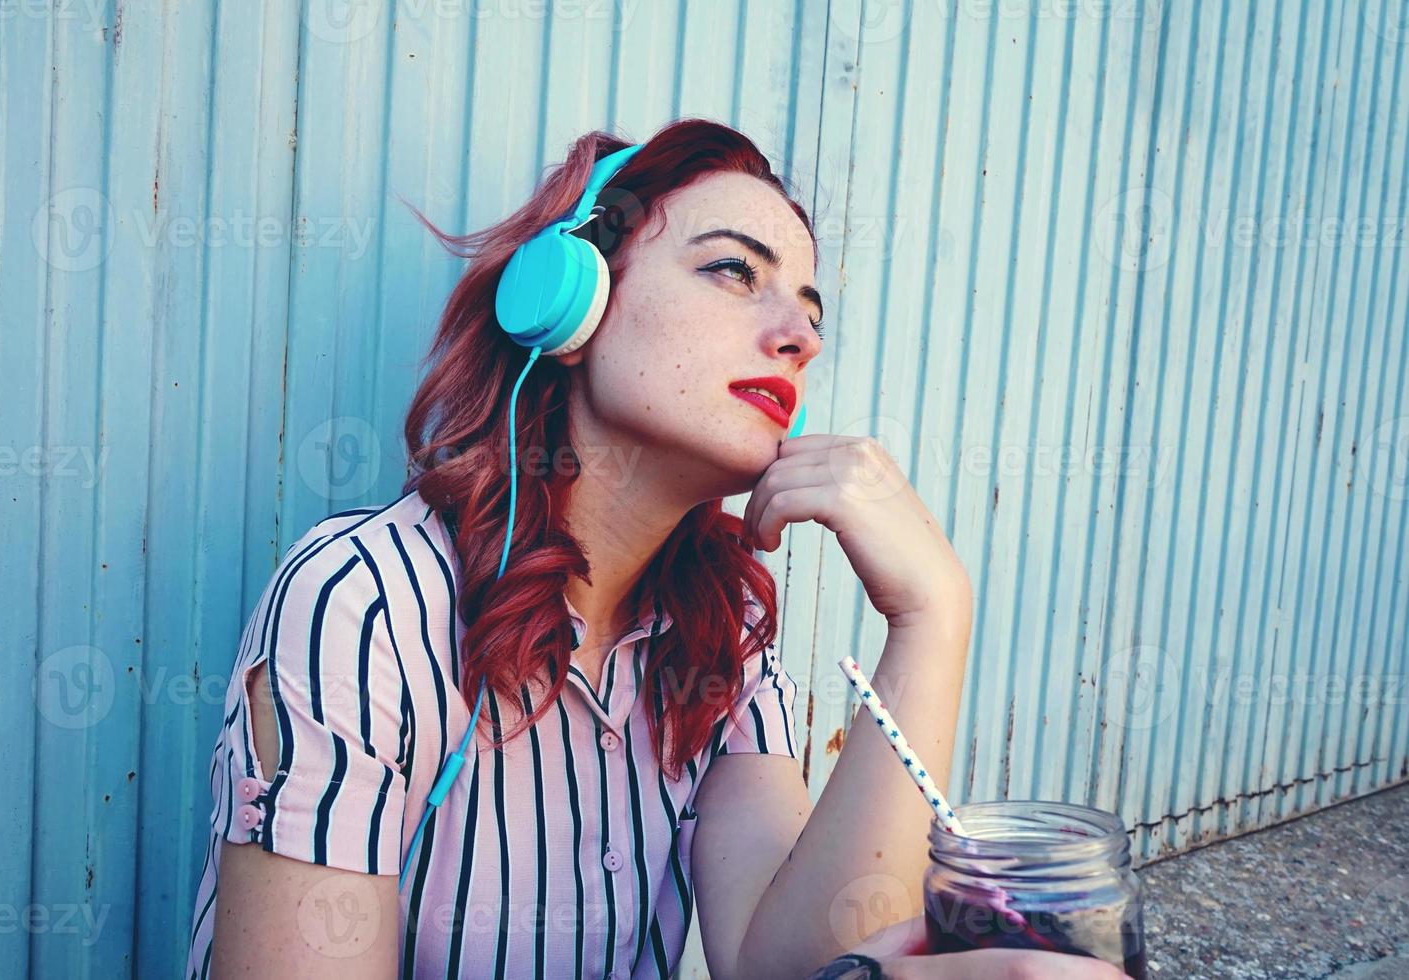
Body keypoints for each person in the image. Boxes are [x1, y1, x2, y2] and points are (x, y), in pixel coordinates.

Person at [184, 118, 1126, 980]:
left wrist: (931, 619)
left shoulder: (725, 632)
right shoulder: (365, 605)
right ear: (568, 307)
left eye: (810, 310)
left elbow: (790, 963)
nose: (799, 337)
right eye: (732, 270)